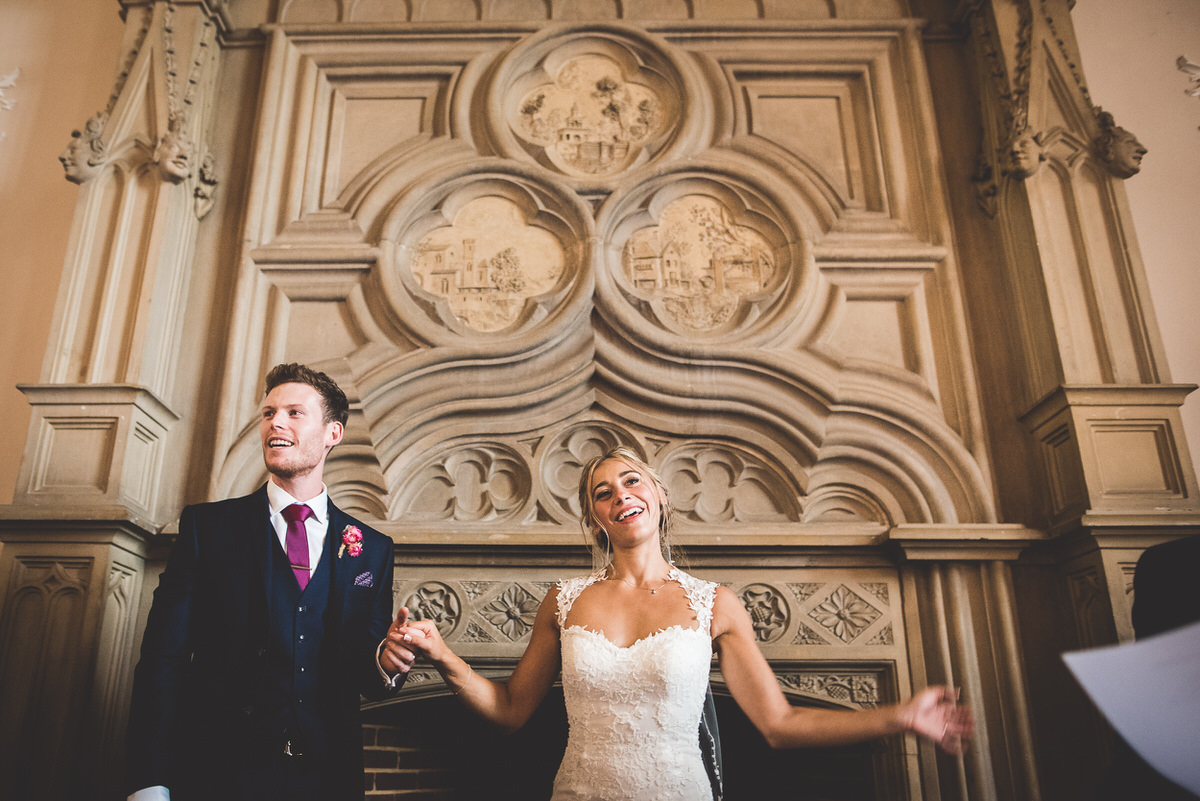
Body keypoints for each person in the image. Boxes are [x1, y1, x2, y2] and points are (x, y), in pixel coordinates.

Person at [392, 446, 974, 800]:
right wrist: (445, 658)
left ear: (659, 496)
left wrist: (900, 716)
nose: (620, 495)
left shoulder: (715, 603)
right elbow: (510, 713)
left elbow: (780, 723)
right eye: (603, 492)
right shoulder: (563, 601)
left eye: (631, 481)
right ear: (595, 520)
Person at [125, 363, 420, 801]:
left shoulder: (373, 549)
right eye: (268, 413)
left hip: (326, 778)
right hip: (217, 772)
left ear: (332, 434)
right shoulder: (208, 528)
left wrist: (385, 661)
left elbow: (364, 674)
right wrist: (149, 781)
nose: (275, 423)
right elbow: (161, 659)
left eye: (294, 413)